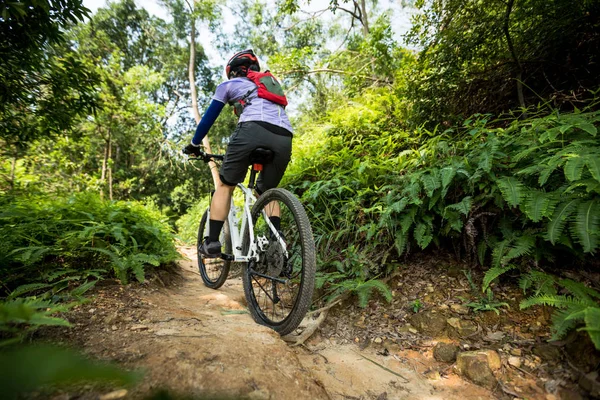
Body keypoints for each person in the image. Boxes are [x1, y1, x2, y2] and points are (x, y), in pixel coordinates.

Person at [183, 49, 293, 258]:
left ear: (233, 72)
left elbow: (208, 119)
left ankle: (213, 243)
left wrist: (194, 144)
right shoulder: (268, 86)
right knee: (267, 191)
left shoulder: (229, 85)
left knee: (226, 185)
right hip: (284, 137)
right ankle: (277, 240)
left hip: (251, 131)